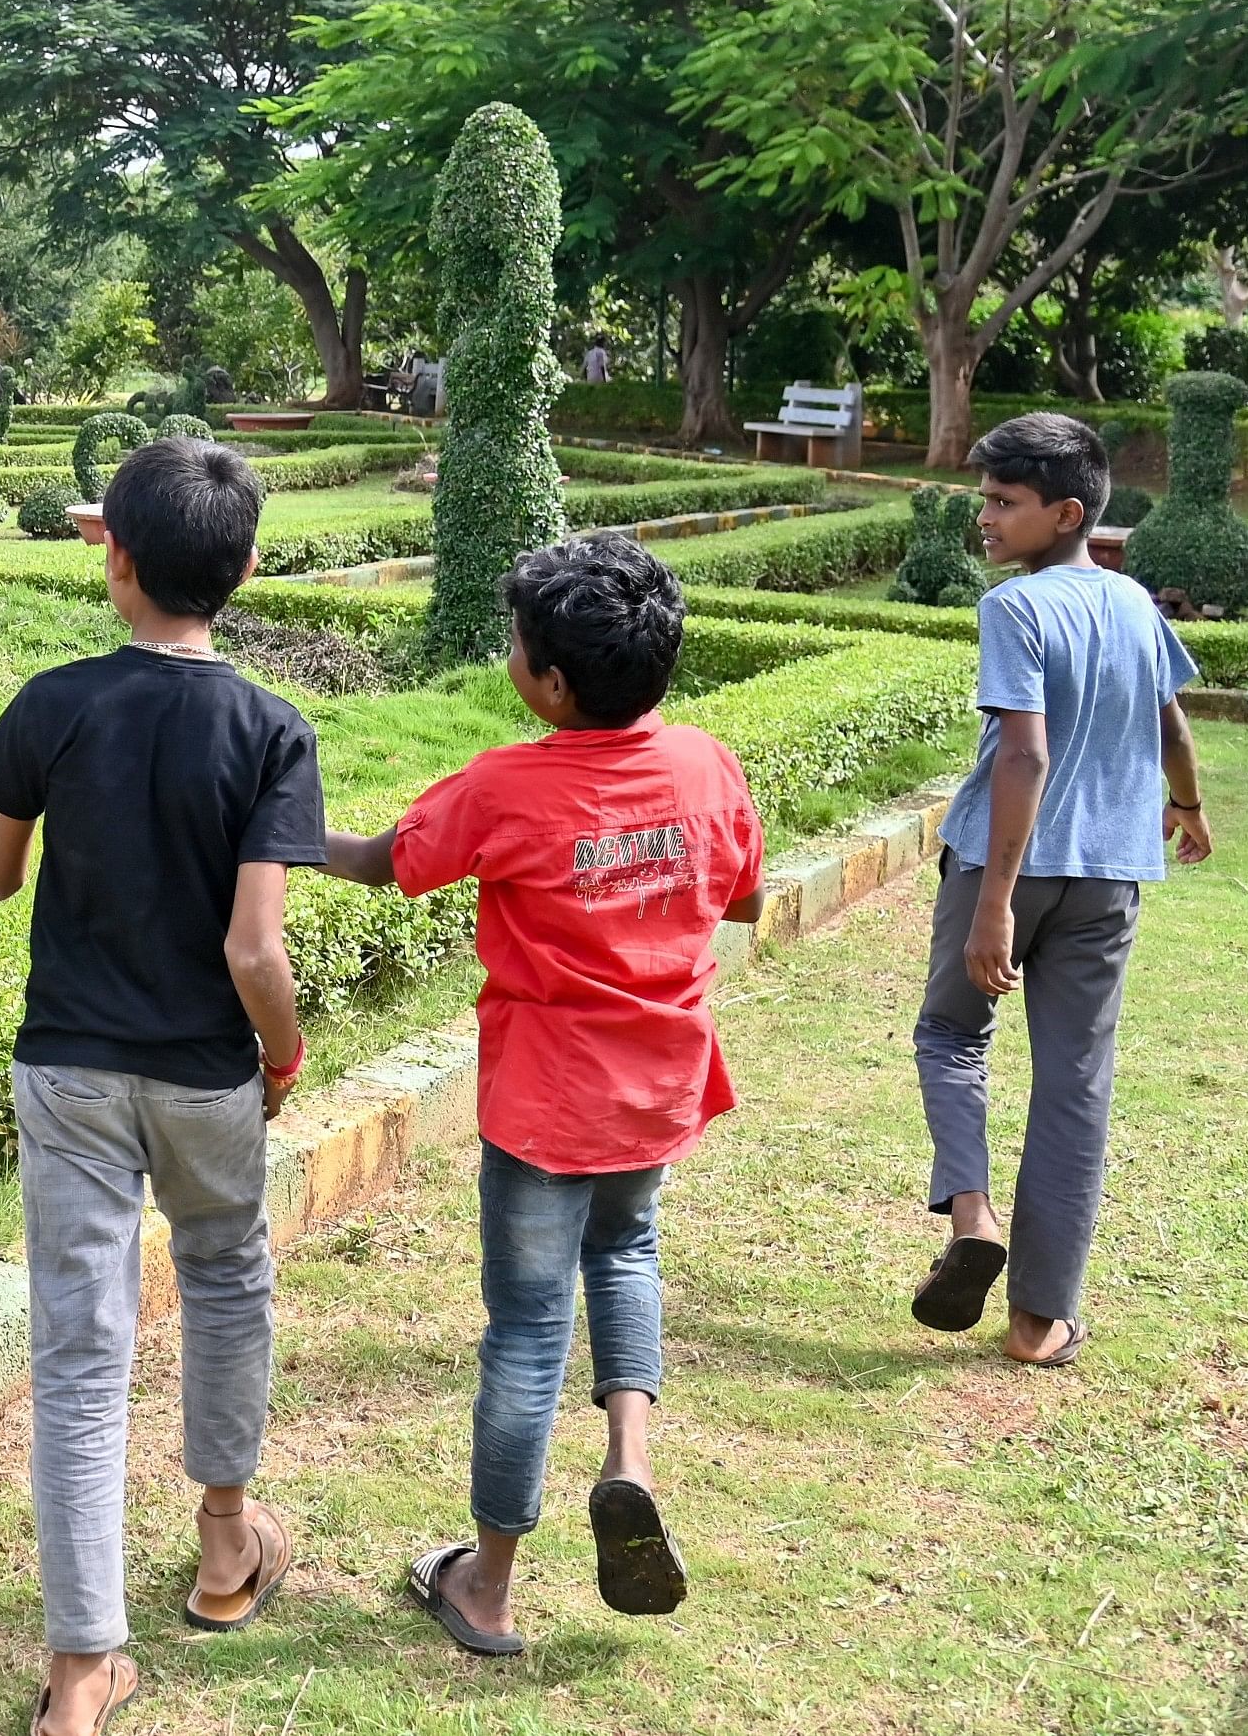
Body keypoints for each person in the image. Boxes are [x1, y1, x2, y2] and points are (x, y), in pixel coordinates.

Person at [0, 436, 322, 1736]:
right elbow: (255, 948)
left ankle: (82, 1669)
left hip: (71, 1072)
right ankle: (221, 1545)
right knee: (222, 1281)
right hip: (207, 1075)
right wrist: (283, 1053)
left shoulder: (55, 700)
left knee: (80, 1355)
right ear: (244, 568)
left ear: (116, 560)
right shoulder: (269, 728)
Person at [313, 534, 761, 1657]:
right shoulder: (708, 764)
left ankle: (488, 1586)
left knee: (523, 1331)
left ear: (553, 683)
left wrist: (276, 832)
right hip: (656, 1083)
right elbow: (741, 896)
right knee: (627, 1254)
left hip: (547, 1099)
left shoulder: (508, 781)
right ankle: (630, 1459)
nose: (510, 656)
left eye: (518, 645)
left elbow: (386, 862)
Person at [906, 412, 1205, 1367]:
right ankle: (1040, 1322)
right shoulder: (1133, 604)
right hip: (1111, 874)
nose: (985, 517)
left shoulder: (1015, 608)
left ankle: (973, 1217)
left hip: (1009, 866)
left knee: (950, 1033)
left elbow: (1024, 753)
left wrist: (993, 901)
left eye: (1004, 502)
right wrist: (1189, 806)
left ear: (1065, 511)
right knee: (1075, 1082)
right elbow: (1173, 725)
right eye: (984, 499)